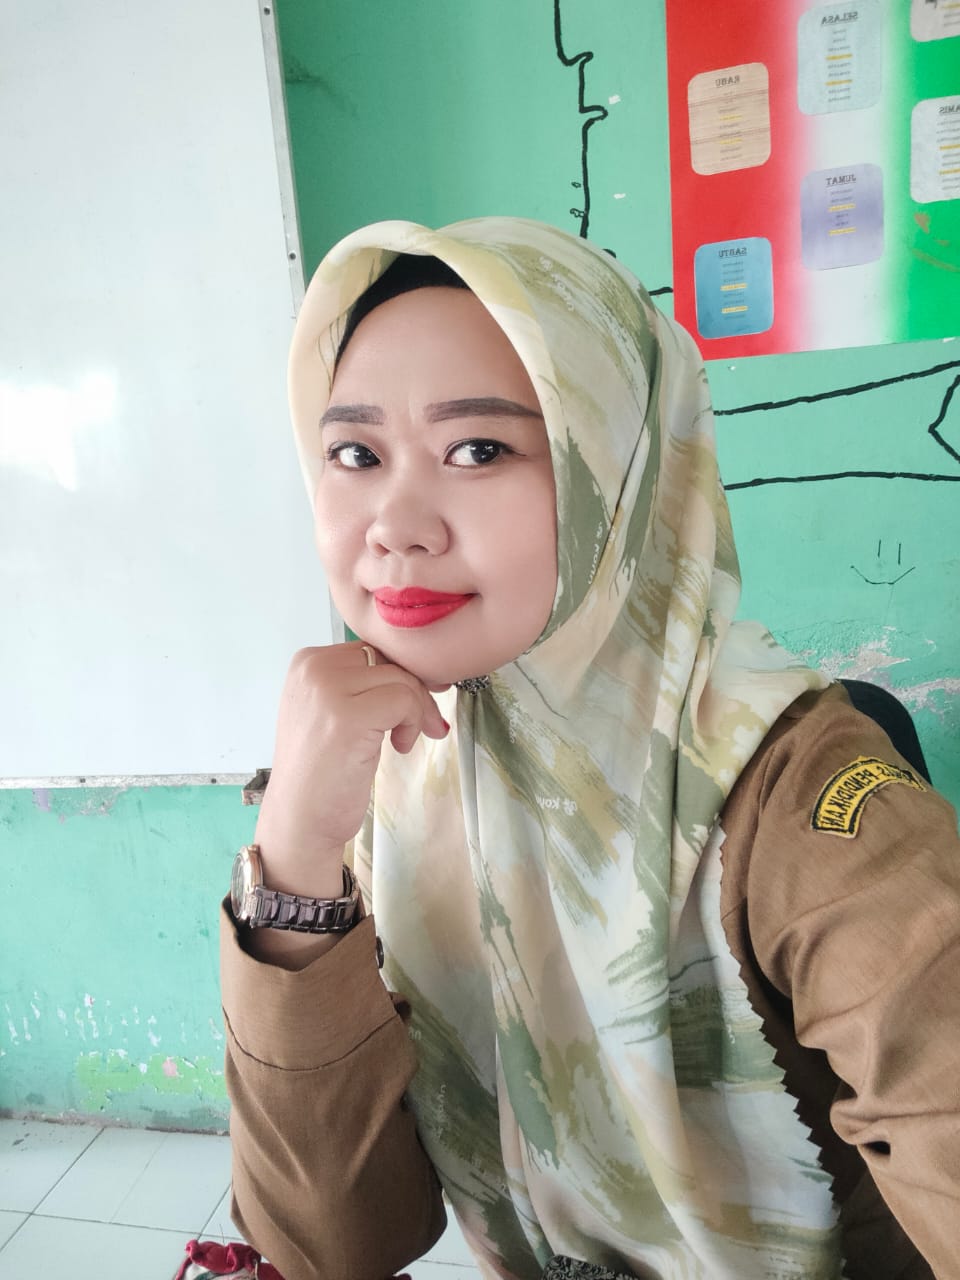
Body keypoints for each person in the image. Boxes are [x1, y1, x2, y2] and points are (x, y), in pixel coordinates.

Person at [220, 218, 960, 1280]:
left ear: (617, 467)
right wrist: (293, 861)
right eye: (355, 454)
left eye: (479, 449)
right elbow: (333, 1244)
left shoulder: (797, 796)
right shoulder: (382, 776)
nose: (394, 524)